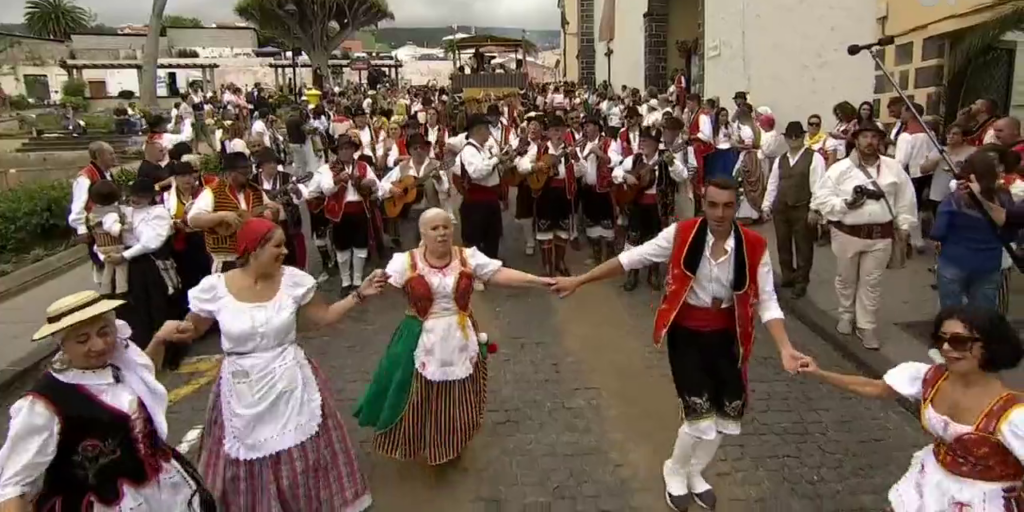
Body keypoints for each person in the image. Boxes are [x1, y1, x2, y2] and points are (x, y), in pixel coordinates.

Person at [551, 178, 809, 512]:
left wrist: (785, 347)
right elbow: (633, 259)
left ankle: (694, 471)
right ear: (703, 202)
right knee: (699, 414)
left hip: (728, 335)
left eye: (728, 206)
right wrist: (580, 280)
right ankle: (674, 469)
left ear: (737, 206)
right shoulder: (681, 234)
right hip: (686, 333)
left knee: (726, 413)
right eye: (713, 204)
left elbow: (767, 301)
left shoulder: (755, 245)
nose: (719, 213)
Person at [158, 218, 377, 511]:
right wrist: (171, 334)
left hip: (290, 377)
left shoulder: (293, 281)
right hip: (241, 384)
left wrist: (359, 294)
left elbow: (324, 316)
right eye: (277, 245)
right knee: (242, 456)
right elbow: (194, 329)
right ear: (253, 249)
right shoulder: (215, 288)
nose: (285, 251)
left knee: (304, 452)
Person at [355, 208, 554, 465]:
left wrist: (539, 281)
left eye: (446, 227)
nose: (442, 233)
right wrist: (364, 289)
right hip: (420, 334)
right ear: (423, 233)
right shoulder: (405, 262)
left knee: (456, 395)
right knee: (416, 393)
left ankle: (449, 444)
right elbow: (381, 283)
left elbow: (499, 274)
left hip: (459, 334)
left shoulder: (467, 257)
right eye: (435, 229)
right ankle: (417, 440)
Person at [0, 291, 214, 511]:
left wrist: (159, 339)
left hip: (164, 491)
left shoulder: (121, 361)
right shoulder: (44, 403)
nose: (99, 345)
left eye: (104, 332)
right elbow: (15, 484)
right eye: (82, 340)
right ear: (63, 345)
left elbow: (145, 379)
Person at [799, 305, 1024, 512]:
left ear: (989, 345)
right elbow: (877, 388)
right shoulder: (929, 378)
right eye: (941, 339)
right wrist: (820, 373)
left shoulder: (1012, 413)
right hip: (930, 485)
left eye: (959, 341)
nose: (946, 348)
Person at [811, 121, 918, 349]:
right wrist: (846, 203)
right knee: (846, 279)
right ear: (856, 140)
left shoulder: (893, 167)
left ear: (879, 140)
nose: (869, 142)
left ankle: (866, 325)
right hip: (847, 233)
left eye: (874, 137)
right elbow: (822, 198)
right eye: (865, 137)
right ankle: (846, 315)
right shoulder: (840, 169)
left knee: (872, 283)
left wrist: (905, 227)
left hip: (881, 235)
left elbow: (905, 199)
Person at [931, 151, 1016, 311]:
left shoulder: (954, 199)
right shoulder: (1004, 197)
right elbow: (1012, 232)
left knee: (952, 313)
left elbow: (938, 231)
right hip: (989, 263)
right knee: (984, 313)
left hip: (953, 260)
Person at [301, 134, 381, 294]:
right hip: (339, 214)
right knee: (342, 248)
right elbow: (325, 189)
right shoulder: (327, 169)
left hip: (360, 211)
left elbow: (377, 186)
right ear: (337, 151)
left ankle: (357, 280)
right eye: (342, 148)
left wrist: (370, 184)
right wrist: (338, 180)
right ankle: (345, 281)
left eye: (349, 148)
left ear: (353, 150)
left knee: (360, 246)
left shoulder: (363, 166)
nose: (346, 151)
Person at [108, 177, 181, 351]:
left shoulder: (157, 213)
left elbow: (151, 242)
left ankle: (167, 350)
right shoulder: (125, 211)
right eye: (134, 195)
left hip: (151, 265)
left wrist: (125, 255)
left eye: (141, 196)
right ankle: (142, 348)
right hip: (130, 266)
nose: (136, 199)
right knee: (135, 308)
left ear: (150, 197)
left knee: (157, 306)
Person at [612, 127, 686, 291]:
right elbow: (616, 172)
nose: (642, 143)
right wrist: (626, 176)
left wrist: (672, 163)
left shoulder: (667, 158)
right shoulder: (635, 159)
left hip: (658, 208)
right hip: (637, 206)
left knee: (655, 240)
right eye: (641, 140)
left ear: (655, 144)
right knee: (633, 240)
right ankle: (633, 273)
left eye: (646, 141)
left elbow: (683, 176)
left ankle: (654, 273)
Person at [762, 121, 827, 300]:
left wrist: (815, 209)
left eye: (797, 136)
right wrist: (767, 205)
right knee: (783, 244)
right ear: (785, 138)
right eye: (790, 136)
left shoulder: (814, 158)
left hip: (802, 207)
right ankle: (788, 276)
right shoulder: (780, 160)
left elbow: (819, 185)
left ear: (803, 137)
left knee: (803, 246)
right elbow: (773, 183)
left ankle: (801, 281)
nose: (793, 140)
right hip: (781, 207)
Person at [187, 152, 282, 273]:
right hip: (228, 260)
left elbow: (270, 219)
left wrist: (273, 213)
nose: (248, 175)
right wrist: (222, 216)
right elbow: (193, 220)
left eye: (249, 170)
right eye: (243, 171)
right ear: (230, 173)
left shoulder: (256, 191)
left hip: (255, 257)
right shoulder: (213, 191)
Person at [518, 115, 579, 276]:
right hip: (545, 193)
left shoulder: (570, 149)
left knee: (562, 231)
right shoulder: (539, 148)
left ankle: (560, 262)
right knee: (544, 231)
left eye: (560, 130)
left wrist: (575, 158)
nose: (557, 134)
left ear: (566, 132)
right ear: (548, 132)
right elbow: (521, 165)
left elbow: (582, 172)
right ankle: (547, 265)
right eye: (554, 131)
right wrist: (535, 166)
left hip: (564, 194)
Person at [378, 133, 450, 248]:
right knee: (409, 249)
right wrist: (392, 189)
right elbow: (382, 185)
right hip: (408, 215)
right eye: (415, 148)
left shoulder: (436, 165)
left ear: (427, 149)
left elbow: (445, 189)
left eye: (421, 147)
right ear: (410, 151)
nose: (419, 151)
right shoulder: (402, 167)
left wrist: (438, 179)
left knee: (431, 248)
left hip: (431, 214)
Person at [69, 141, 118, 284]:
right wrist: (81, 229)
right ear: (99, 156)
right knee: (102, 260)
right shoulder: (85, 177)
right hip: (96, 224)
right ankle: (105, 286)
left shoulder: (107, 173)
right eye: (110, 154)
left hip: (110, 221)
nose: (114, 157)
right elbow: (78, 205)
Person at [253, 147, 307, 270]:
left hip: (287, 226)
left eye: (274, 162)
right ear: (261, 165)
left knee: (293, 260)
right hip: (263, 227)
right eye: (269, 162)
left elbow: (302, 198)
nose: (273, 165)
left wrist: (296, 191)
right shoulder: (253, 181)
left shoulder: (287, 178)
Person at [576, 114, 620, 263]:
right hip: (587, 190)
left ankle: (608, 258)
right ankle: (596, 257)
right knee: (591, 223)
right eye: (584, 126)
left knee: (607, 224)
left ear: (597, 127)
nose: (585, 129)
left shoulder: (608, 142)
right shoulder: (581, 144)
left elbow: (615, 161)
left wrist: (600, 153)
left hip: (604, 191)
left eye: (588, 126)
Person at [87, 180, 129, 296]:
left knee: (108, 268)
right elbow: (113, 230)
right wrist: (122, 227)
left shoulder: (94, 213)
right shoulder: (111, 213)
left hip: (101, 246)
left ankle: (105, 289)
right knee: (121, 266)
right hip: (114, 246)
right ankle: (122, 289)